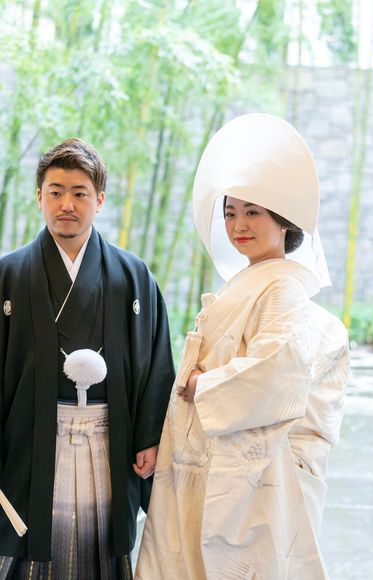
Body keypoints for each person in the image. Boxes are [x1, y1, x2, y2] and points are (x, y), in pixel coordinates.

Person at [136, 113, 350, 579]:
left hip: (242, 470)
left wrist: (202, 384)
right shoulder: (252, 281)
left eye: (253, 212)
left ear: (283, 221)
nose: (239, 225)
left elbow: (277, 371)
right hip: (210, 454)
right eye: (230, 213)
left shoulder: (282, 288)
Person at [0, 138, 175, 579]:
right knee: (28, 548)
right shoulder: (9, 274)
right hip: (29, 443)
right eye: (56, 192)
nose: (67, 204)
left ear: (100, 200)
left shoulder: (133, 276)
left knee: (101, 549)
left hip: (109, 440)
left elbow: (156, 364)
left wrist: (149, 436)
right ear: (39, 197)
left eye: (80, 193)